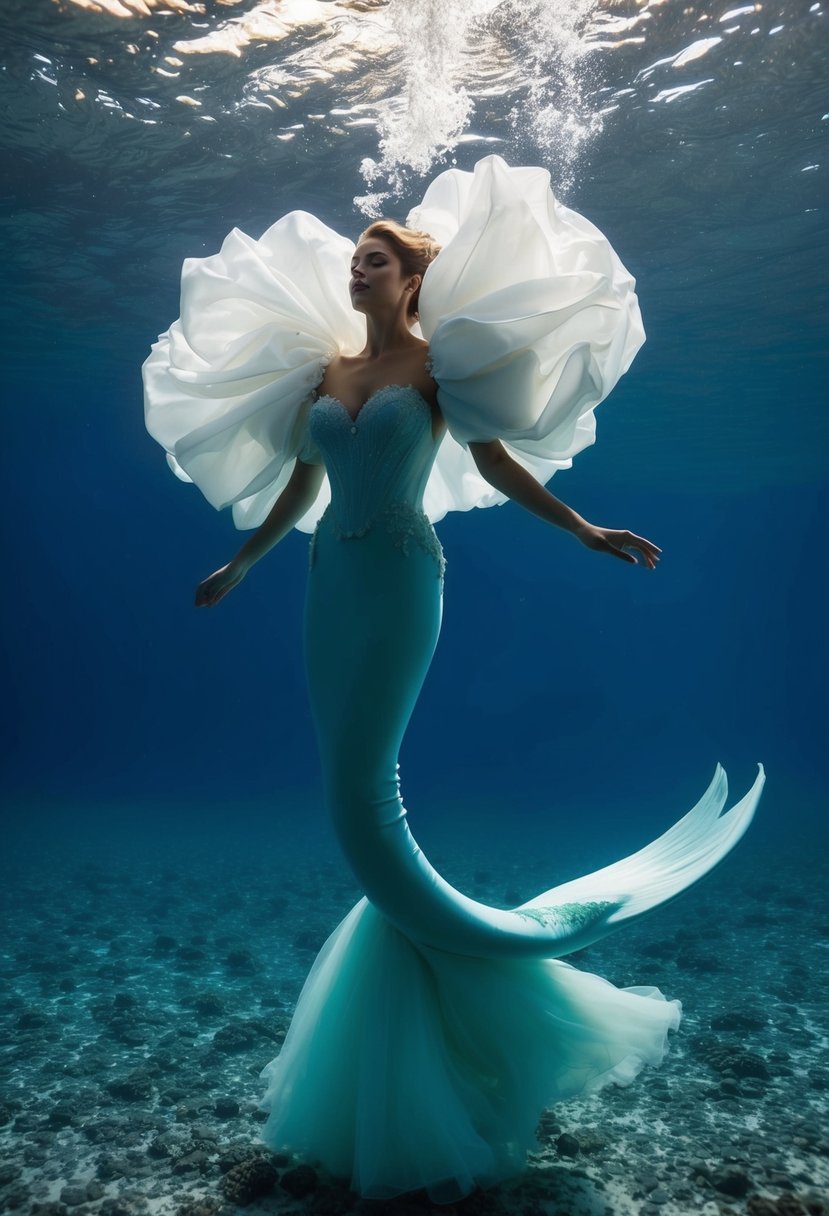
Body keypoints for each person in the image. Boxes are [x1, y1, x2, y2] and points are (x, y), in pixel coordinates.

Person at [143, 156, 764, 1203]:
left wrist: (584, 527)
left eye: (374, 260)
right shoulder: (329, 376)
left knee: (360, 793)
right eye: (352, 259)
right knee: (343, 784)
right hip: (325, 579)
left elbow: (495, 464)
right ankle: (438, 1005)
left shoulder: (439, 371)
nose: (356, 272)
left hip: (399, 579)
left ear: (410, 278)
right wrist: (240, 564)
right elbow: (303, 479)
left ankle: (525, 940)